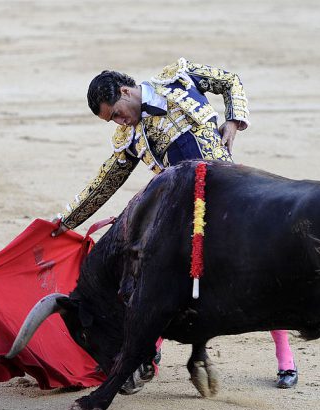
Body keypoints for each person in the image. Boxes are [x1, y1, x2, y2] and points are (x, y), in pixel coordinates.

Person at [52, 58, 298, 390]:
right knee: (159, 276)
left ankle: (286, 360)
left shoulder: (178, 79)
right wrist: (66, 221)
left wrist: (234, 121)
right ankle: (150, 353)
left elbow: (229, 80)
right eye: (111, 120)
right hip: (181, 209)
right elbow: (104, 183)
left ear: (126, 90)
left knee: (258, 269)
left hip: (228, 192)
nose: (118, 122)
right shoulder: (130, 137)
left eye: (116, 112)